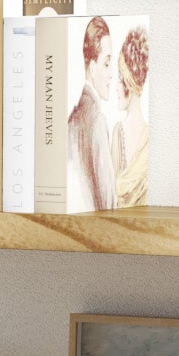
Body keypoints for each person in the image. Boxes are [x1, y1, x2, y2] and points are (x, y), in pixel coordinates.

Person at [68, 16, 117, 212]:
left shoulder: (72, 119)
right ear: (92, 67)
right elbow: (109, 203)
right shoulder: (97, 121)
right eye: (107, 63)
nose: (112, 73)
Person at [115, 23, 149, 207]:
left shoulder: (121, 132)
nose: (116, 87)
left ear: (128, 82)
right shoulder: (120, 132)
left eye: (120, 79)